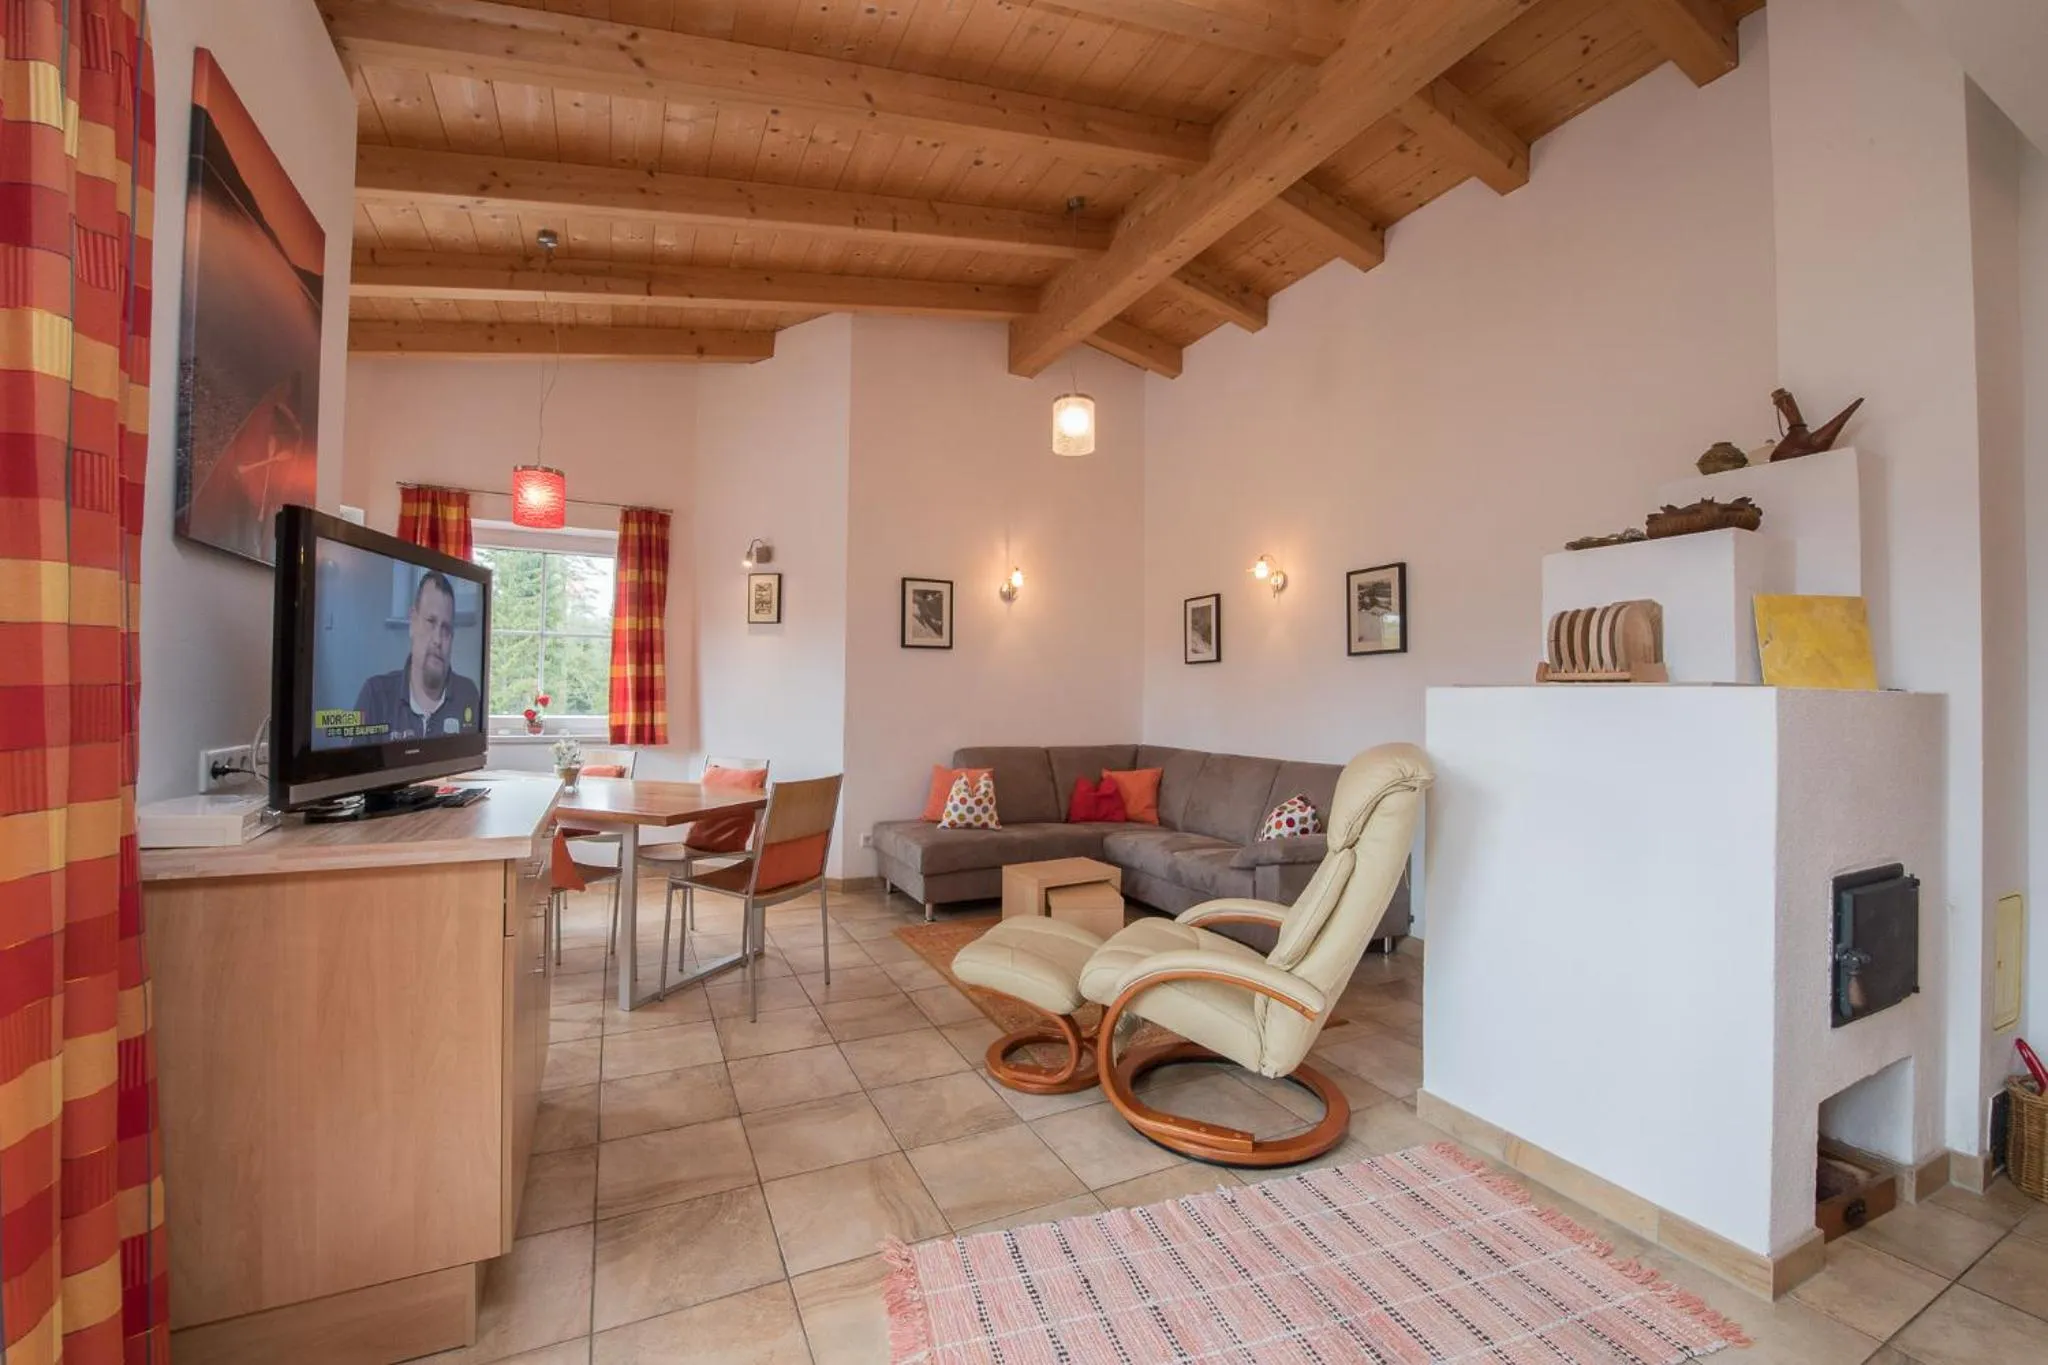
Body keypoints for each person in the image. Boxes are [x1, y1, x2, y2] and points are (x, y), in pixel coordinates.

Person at [352, 570, 481, 741]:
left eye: (446, 628)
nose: (437, 640)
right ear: (413, 621)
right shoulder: (375, 696)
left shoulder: (468, 694)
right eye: (431, 622)